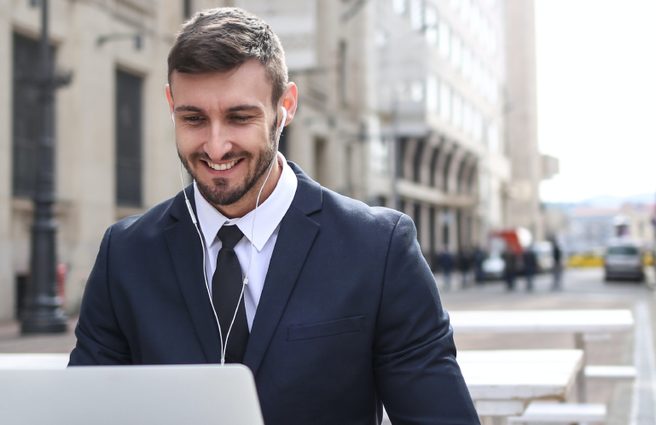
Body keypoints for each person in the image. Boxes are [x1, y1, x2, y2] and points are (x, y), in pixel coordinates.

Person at [68, 7, 479, 424]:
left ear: (286, 106)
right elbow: (82, 413)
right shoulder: (125, 254)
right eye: (193, 119)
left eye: (239, 117)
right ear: (171, 105)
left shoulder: (379, 247)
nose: (215, 147)